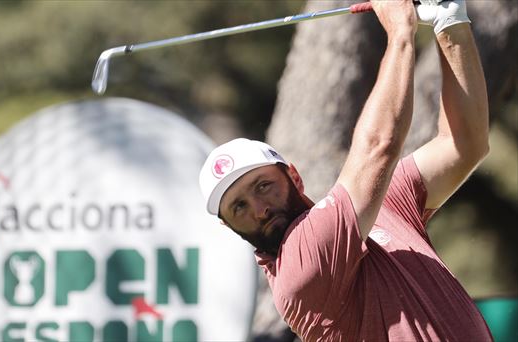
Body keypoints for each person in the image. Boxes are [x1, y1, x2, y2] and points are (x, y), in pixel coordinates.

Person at [199, 0, 492, 340]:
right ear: (227, 225)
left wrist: (450, 23)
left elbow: (464, 145)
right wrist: (399, 32)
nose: (259, 209)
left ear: (293, 175)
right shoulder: (298, 269)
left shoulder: (376, 205)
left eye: (262, 186)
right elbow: (379, 148)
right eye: (239, 207)